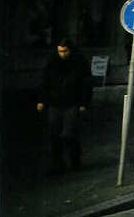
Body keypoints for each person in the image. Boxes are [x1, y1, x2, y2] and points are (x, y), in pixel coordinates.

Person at [36, 38, 92, 175]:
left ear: (70, 50)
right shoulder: (52, 62)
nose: (62, 54)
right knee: (54, 134)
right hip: (55, 104)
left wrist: (84, 103)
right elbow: (44, 82)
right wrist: (41, 101)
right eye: (60, 51)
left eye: (65, 51)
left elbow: (86, 84)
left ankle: (74, 160)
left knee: (69, 133)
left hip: (72, 104)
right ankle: (58, 164)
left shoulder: (79, 62)